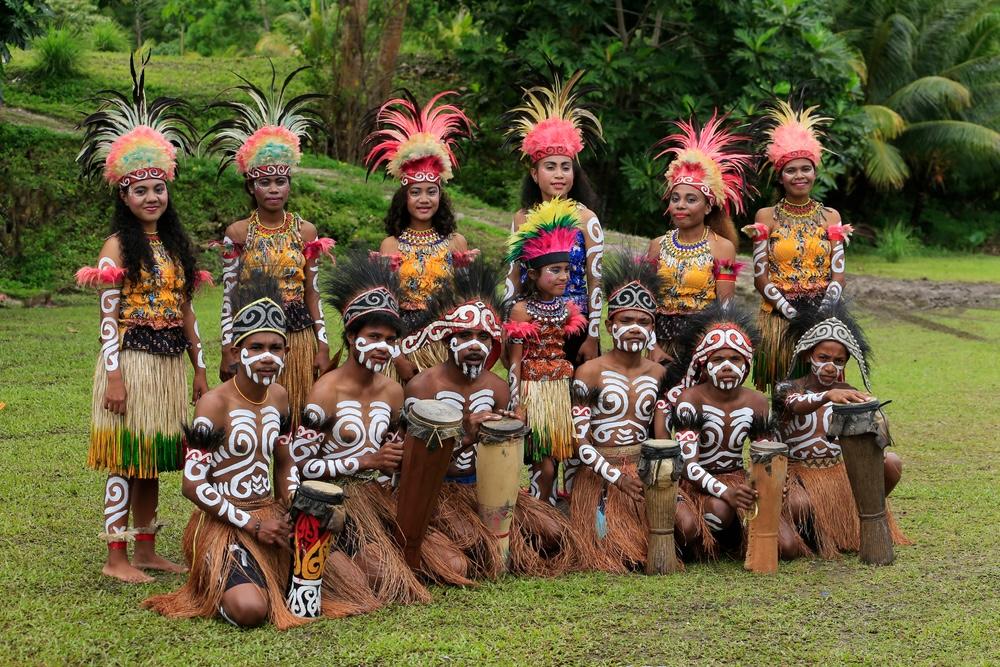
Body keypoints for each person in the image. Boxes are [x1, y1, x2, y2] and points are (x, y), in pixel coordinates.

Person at [75, 53, 209, 584]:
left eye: (158, 188)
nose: (151, 197)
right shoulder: (116, 245)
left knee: (153, 457)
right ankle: (116, 557)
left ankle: (148, 548)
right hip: (130, 364)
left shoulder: (175, 245)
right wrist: (113, 376)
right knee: (125, 457)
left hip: (170, 364)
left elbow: (186, 311)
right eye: (140, 190)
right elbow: (108, 318)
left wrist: (200, 368)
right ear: (123, 193)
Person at [292, 250, 468, 605]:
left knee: (455, 563)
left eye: (389, 341)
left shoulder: (391, 392)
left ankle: (381, 549)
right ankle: (345, 560)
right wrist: (366, 461)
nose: (381, 348)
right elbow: (298, 467)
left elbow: (397, 452)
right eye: (373, 337)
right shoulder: (325, 392)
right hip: (336, 504)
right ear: (350, 335)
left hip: (381, 500)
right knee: (376, 575)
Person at [142, 281, 312, 629]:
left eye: (276, 348)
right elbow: (192, 485)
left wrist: (293, 510)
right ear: (236, 353)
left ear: (286, 353)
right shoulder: (214, 405)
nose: (268, 357)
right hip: (224, 523)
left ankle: (265, 574)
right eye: (257, 347)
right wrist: (253, 525)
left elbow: (285, 462)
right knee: (250, 610)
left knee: (330, 579)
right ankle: (218, 583)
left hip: (268, 512)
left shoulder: (279, 397)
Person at [206, 64, 335, 422]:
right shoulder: (238, 233)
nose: (274, 189)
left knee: (298, 420)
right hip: (253, 337)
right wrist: (227, 349)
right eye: (265, 183)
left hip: (298, 334)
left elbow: (313, 291)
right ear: (251, 187)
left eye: (281, 181)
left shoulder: (305, 231)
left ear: (290, 183)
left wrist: (322, 344)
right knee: (257, 420)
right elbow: (230, 296)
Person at [569, 249, 694, 573]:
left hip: (645, 470)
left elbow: (662, 436)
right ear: (610, 325)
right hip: (601, 473)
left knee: (689, 527)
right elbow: (579, 442)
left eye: (643, 322)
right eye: (626, 320)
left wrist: (666, 480)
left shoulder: (659, 373)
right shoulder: (589, 372)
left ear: (653, 328)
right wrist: (617, 479)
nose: (635, 328)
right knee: (620, 551)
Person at [773, 299, 908, 558]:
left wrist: (877, 423)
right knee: (799, 504)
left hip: (839, 472)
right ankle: (812, 536)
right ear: (807, 356)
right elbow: (795, 405)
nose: (830, 366)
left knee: (891, 463)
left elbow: (872, 438)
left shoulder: (850, 394)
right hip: (799, 475)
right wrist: (826, 396)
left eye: (838, 361)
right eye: (823, 358)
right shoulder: (787, 389)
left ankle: (858, 523)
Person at [666, 302, 797, 559]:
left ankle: (735, 536)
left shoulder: (757, 402)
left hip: (738, 478)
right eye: (718, 359)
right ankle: (709, 542)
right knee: (719, 511)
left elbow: (766, 457)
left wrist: (773, 483)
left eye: (735, 358)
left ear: (747, 364)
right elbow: (687, 465)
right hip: (698, 484)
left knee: (787, 547)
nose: (727, 366)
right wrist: (726, 492)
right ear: (704, 365)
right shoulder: (689, 400)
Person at [365, 91, 477, 383]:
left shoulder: (456, 242)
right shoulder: (391, 245)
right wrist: (397, 354)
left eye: (431, 191)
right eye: (415, 192)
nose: (424, 199)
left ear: (441, 194)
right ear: (404, 197)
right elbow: (385, 306)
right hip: (403, 339)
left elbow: (467, 302)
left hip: (445, 341)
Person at [746, 100, 852, 392]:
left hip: (823, 312)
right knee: (783, 385)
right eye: (791, 170)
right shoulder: (765, 217)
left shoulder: (831, 217)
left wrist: (823, 311)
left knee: (822, 383)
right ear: (780, 176)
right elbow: (760, 277)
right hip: (779, 318)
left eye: (806, 169)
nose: (800, 176)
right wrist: (790, 312)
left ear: (815, 172)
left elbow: (838, 273)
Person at [503, 69, 605, 368]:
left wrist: (593, 336)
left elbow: (595, 281)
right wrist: (510, 326)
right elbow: (512, 277)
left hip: (576, 325)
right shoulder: (522, 218)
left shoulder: (586, 219)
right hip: (531, 324)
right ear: (535, 174)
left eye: (565, 167)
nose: (559, 174)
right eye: (550, 167)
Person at [646, 114, 753, 361]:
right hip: (658, 346)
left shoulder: (723, 248)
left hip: (701, 346)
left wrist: (709, 353)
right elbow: (646, 304)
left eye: (691, 199)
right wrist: (653, 348)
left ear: (707, 207)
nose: (680, 205)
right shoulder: (657, 245)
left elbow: (724, 310)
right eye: (675, 198)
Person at [504, 199, 589, 508]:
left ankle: (560, 512)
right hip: (534, 392)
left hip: (560, 392)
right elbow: (514, 361)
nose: (563, 276)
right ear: (532, 273)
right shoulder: (521, 310)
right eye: (554, 270)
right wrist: (517, 404)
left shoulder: (568, 308)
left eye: (566, 269)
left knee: (563, 458)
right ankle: (541, 514)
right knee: (544, 464)